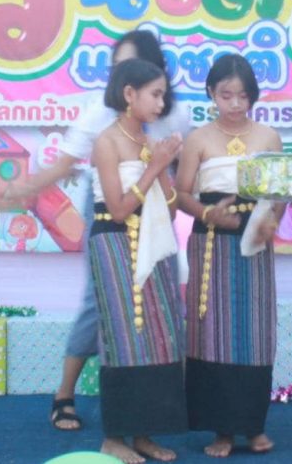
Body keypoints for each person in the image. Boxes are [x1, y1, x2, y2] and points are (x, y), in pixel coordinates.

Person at [0, 30, 191, 431]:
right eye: (116, 67)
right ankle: (65, 395)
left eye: (129, 65)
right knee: (100, 301)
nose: (120, 75)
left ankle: (159, 408)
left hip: (155, 213)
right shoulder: (100, 116)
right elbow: (65, 167)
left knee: (163, 296)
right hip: (110, 210)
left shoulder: (173, 115)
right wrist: (24, 189)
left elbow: (178, 175)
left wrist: (182, 188)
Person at [174, 53, 284, 457]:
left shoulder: (268, 137)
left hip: (255, 243)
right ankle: (221, 430)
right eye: (226, 95)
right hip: (211, 244)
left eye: (242, 96)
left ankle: (253, 427)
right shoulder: (198, 139)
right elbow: (181, 194)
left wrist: (272, 220)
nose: (235, 104)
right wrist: (207, 213)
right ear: (211, 93)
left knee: (254, 333)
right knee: (213, 334)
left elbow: (280, 192)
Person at [89, 58, 186, 463]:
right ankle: (114, 437)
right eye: (155, 94)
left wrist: (161, 167)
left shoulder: (150, 141)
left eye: (164, 95)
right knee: (123, 338)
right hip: (114, 243)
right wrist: (155, 166)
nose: (162, 104)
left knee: (157, 338)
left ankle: (144, 434)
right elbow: (117, 209)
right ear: (130, 94)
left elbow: (172, 208)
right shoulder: (106, 141)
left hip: (154, 242)